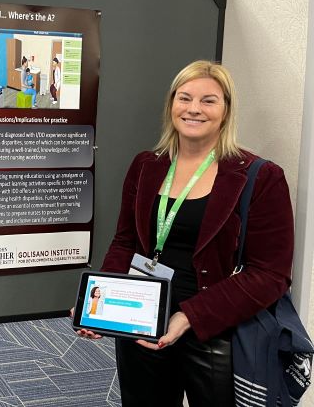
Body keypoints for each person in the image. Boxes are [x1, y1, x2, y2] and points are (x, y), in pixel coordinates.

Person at [73, 61, 294, 407]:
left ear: (226, 111)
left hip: (215, 327)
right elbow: (126, 242)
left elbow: (271, 274)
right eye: (185, 98)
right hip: (142, 318)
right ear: (171, 104)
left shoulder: (260, 177)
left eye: (208, 100)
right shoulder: (147, 164)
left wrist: (188, 316)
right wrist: (98, 306)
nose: (193, 109)